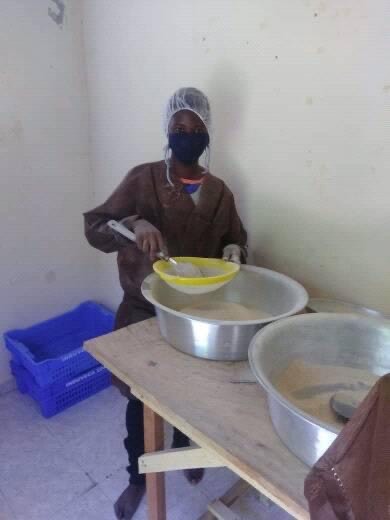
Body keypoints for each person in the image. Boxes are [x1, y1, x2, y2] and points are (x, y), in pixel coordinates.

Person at [84, 87, 247, 520]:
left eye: (196, 129)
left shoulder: (219, 193)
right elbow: (96, 226)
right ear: (168, 131)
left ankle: (182, 448)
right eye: (180, 128)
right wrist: (133, 222)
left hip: (198, 314)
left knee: (192, 395)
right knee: (142, 404)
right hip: (144, 314)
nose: (188, 135)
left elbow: (236, 237)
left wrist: (234, 252)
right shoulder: (144, 179)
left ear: (208, 134)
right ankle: (138, 477)